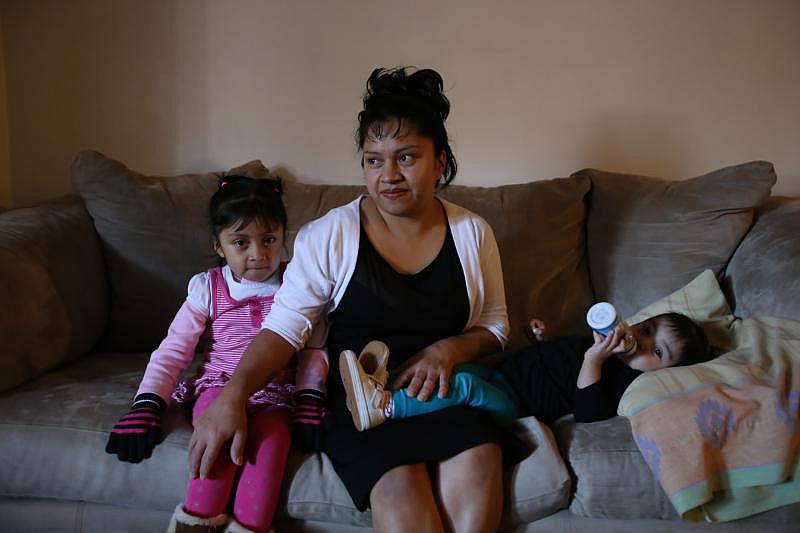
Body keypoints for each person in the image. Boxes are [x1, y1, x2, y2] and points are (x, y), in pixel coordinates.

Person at [187, 66, 516, 532]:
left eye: (406, 157)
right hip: (363, 406)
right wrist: (233, 394)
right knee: (408, 512)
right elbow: (285, 328)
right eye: (373, 160)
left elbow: (498, 325)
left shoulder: (472, 233)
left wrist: (449, 350)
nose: (388, 176)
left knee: (477, 492)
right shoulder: (330, 235)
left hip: (445, 398)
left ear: (440, 161)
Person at [104, 176, 328, 533]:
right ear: (219, 245)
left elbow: (314, 350)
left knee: (266, 461)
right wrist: (147, 402)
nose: (258, 254)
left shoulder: (299, 285)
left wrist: (309, 398)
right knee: (215, 457)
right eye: (241, 242)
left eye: (269, 239)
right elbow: (174, 350)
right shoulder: (208, 287)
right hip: (218, 389)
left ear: (284, 235)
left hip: (276, 399)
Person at [340, 311, 719, 431]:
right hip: (504, 375)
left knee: (466, 384)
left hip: (512, 407)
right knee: (460, 367)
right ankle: (384, 384)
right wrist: (541, 339)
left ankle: (384, 407)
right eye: (647, 329)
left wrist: (595, 359)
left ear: (661, 372)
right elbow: (557, 363)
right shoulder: (605, 342)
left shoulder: (622, 380)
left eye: (657, 351)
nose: (642, 341)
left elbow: (587, 410)